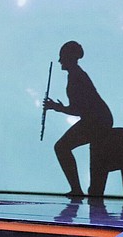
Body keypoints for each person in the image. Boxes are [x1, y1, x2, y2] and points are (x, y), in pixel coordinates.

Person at [43, 41, 113, 197]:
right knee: (62, 147)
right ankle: (76, 188)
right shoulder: (76, 75)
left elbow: (79, 109)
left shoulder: (76, 76)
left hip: (97, 121)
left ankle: (76, 189)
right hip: (97, 119)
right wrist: (57, 107)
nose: (60, 60)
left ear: (69, 57)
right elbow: (79, 108)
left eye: (62, 56)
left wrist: (56, 107)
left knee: (61, 147)